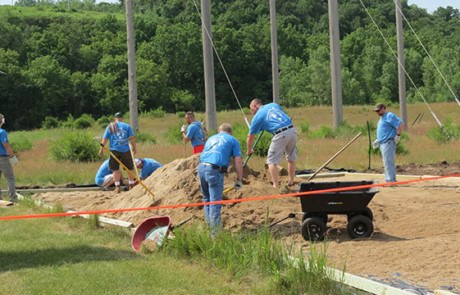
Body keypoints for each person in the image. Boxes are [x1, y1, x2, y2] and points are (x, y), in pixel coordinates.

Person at [198, 123, 244, 235]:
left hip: (201, 168)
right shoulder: (233, 140)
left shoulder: (211, 138)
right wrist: (239, 179)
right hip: (214, 170)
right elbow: (238, 161)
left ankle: (209, 229)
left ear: (220, 131)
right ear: (230, 132)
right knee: (215, 202)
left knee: (206, 199)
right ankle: (215, 235)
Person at [246, 98, 298, 189]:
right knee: (291, 158)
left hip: (280, 133)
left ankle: (275, 186)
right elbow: (279, 117)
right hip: (292, 130)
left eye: (251, 109)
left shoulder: (257, 116)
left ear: (255, 106)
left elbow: (250, 137)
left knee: (271, 161)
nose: (252, 112)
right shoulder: (273, 105)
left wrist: (249, 150)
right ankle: (291, 181)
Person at [98, 112, 137, 193]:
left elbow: (105, 139)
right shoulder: (127, 126)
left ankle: (117, 187)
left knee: (115, 169)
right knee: (129, 168)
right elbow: (132, 138)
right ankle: (132, 185)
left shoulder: (110, 126)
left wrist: (101, 149)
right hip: (125, 150)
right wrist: (134, 148)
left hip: (114, 150)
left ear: (114, 118)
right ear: (122, 118)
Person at [373, 103, 403, 182]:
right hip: (383, 143)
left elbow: (400, 124)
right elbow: (384, 130)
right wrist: (378, 140)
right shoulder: (382, 118)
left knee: (388, 162)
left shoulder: (389, 115)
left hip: (388, 142)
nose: (377, 113)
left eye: (378, 110)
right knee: (386, 162)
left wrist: (398, 135)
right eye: (376, 111)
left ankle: (391, 180)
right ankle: (388, 179)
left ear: (383, 108)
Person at [0, 113, 18, 203]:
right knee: (10, 178)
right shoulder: (2, 132)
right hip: (3, 158)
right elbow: (6, 145)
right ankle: (13, 199)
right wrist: (13, 156)